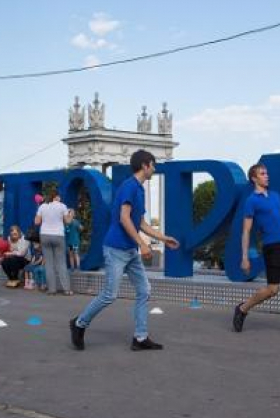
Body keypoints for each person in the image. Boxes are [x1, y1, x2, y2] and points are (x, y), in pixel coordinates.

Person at [70, 150, 180, 351]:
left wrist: (164, 238)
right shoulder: (129, 186)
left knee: (144, 290)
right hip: (115, 249)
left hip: (130, 251)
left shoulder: (139, 189)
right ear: (145, 165)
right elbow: (124, 218)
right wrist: (143, 244)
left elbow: (140, 222)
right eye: (153, 165)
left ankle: (140, 337)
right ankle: (79, 323)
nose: (154, 169)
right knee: (109, 295)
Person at [231, 164, 280, 336]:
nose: (267, 176)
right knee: (272, 290)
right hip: (272, 247)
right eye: (262, 173)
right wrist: (244, 257)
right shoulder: (252, 200)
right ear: (254, 178)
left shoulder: (275, 196)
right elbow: (246, 231)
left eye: (267, 173)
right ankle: (243, 308)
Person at [35, 188, 73, 295]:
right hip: (58, 235)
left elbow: (37, 222)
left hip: (45, 235)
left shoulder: (42, 206)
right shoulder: (62, 206)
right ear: (56, 196)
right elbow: (68, 221)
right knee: (61, 263)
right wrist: (71, 214)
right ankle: (67, 290)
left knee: (49, 264)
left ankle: (52, 290)